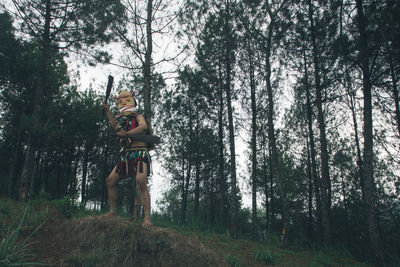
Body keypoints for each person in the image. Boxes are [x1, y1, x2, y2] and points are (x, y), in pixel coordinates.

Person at [101, 90, 152, 227]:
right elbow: (115, 125)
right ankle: (113, 212)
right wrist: (107, 111)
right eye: (120, 100)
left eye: (126, 99)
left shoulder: (138, 117)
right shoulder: (123, 121)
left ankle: (147, 219)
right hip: (127, 155)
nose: (123, 102)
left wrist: (127, 133)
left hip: (140, 153)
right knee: (110, 180)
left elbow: (143, 127)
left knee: (141, 180)